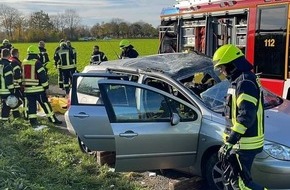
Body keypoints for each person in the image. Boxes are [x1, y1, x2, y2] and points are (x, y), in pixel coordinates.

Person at [213, 44, 266, 189]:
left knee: (242, 184)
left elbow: (246, 116)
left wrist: (231, 141)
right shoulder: (239, 80)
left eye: (223, 67)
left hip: (245, 143)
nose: (222, 71)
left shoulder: (245, 82)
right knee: (236, 183)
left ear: (232, 65)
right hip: (241, 143)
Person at [22, 45, 62, 127]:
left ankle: (33, 121)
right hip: (38, 89)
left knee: (31, 106)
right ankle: (53, 119)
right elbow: (42, 76)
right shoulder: (37, 63)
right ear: (36, 54)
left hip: (27, 89)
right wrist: (46, 87)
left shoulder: (24, 62)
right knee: (45, 104)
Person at [0, 48, 15, 125]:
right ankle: (4, 122)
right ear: (9, 55)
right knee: (6, 106)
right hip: (5, 89)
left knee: (2, 105)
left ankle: (3, 121)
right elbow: (9, 80)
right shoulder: (7, 66)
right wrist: (12, 90)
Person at [9, 48, 23, 118]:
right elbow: (17, 75)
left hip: (9, 85)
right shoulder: (16, 62)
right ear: (17, 53)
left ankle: (16, 115)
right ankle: (27, 114)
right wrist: (21, 85)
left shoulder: (9, 60)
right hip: (16, 85)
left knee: (14, 100)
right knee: (25, 99)